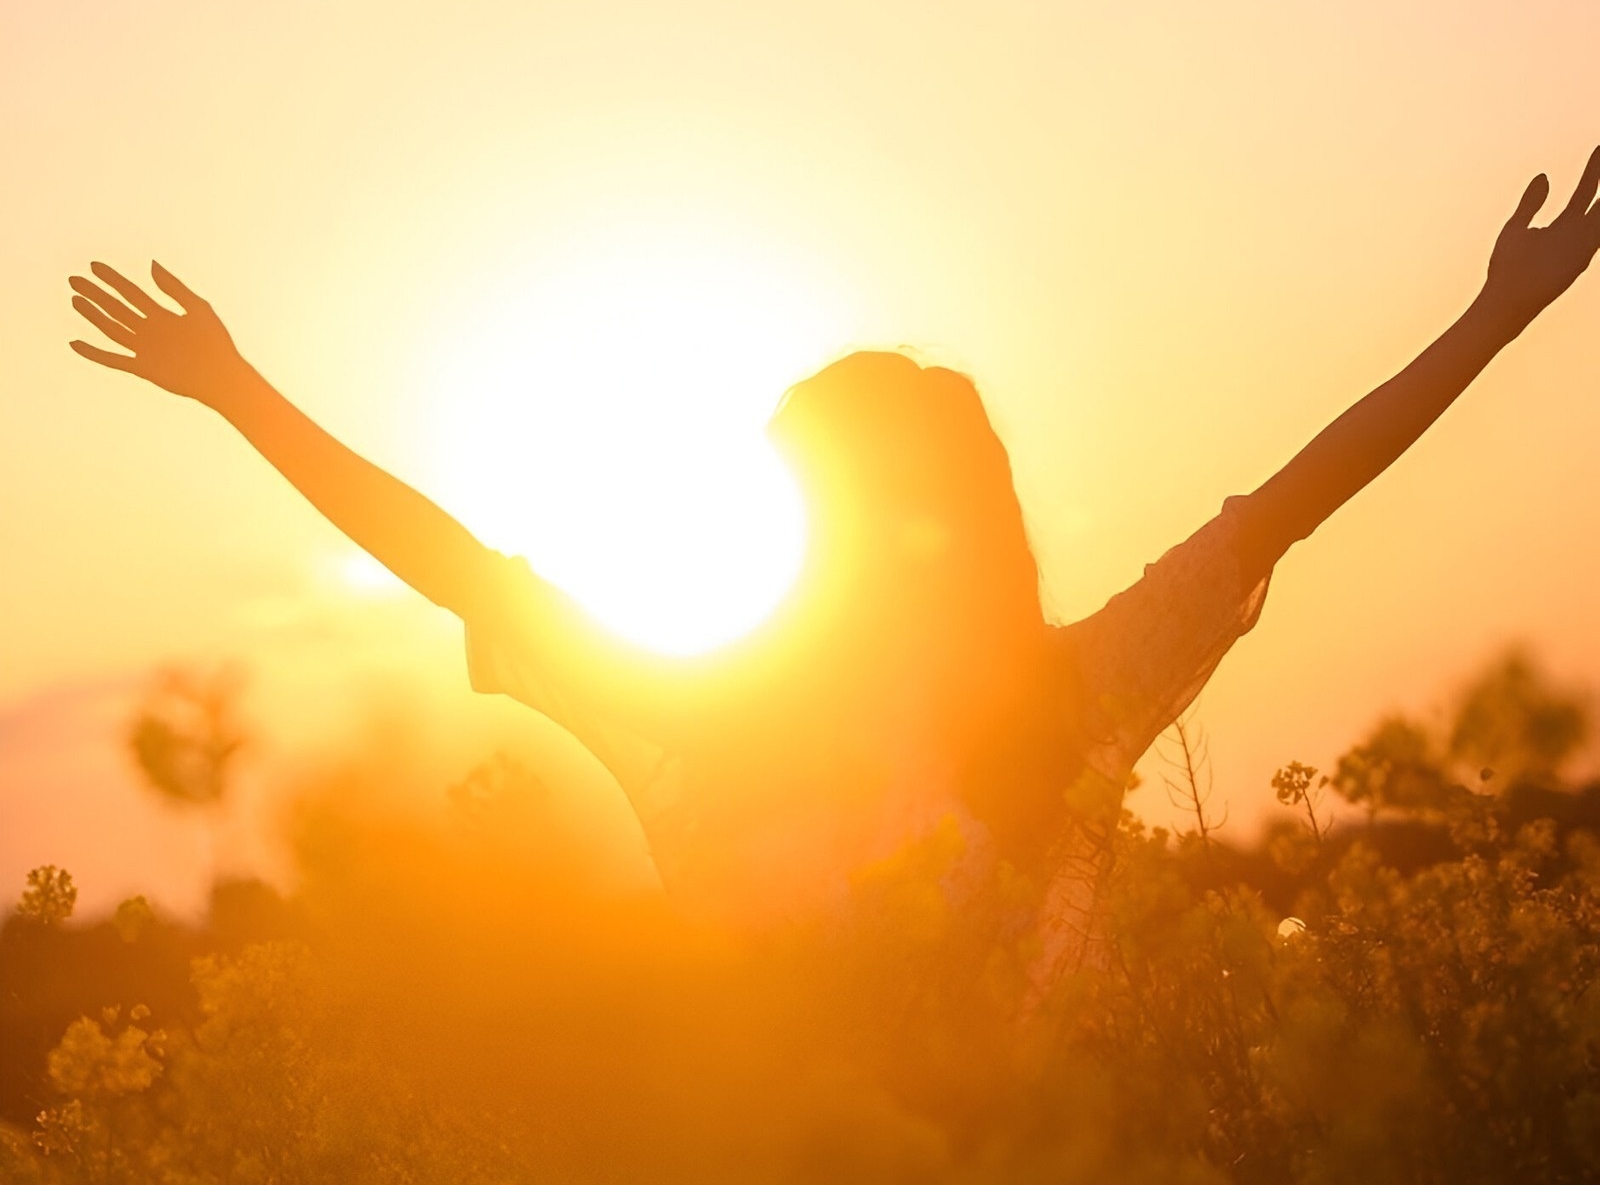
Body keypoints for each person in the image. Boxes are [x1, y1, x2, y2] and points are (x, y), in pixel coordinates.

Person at [66, 152, 1600, 1001]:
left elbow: (1289, 503)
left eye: (833, 499)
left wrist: (1497, 319)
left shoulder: (1060, 701)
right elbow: (453, 562)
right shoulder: (714, 715)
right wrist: (237, 389)